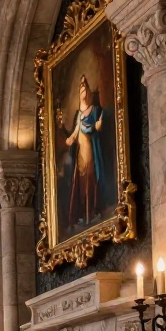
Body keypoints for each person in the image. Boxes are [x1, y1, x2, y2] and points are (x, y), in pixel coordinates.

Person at [58, 75, 105, 228]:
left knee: (90, 179)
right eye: (80, 89)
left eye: (84, 88)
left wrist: (96, 127)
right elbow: (76, 131)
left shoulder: (95, 110)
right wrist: (69, 137)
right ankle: (82, 214)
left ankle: (92, 211)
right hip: (80, 153)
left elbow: (97, 128)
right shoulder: (79, 114)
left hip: (90, 149)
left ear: (89, 92)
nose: (82, 91)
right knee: (80, 181)